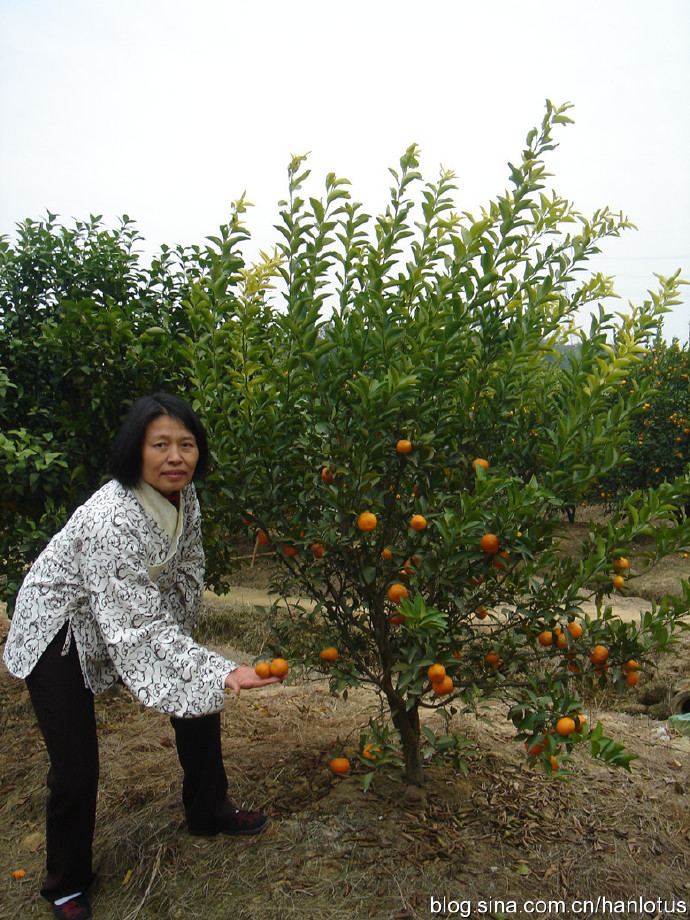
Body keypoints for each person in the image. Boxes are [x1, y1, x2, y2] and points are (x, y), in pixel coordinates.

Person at [3, 393, 284, 920]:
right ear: (137, 451)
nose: (176, 457)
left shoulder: (185, 499)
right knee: (76, 767)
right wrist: (220, 667)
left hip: (123, 609)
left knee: (195, 697)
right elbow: (138, 629)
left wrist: (191, 660)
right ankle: (66, 882)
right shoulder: (112, 518)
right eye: (161, 445)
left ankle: (207, 808)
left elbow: (186, 567)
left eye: (187, 444)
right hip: (58, 627)